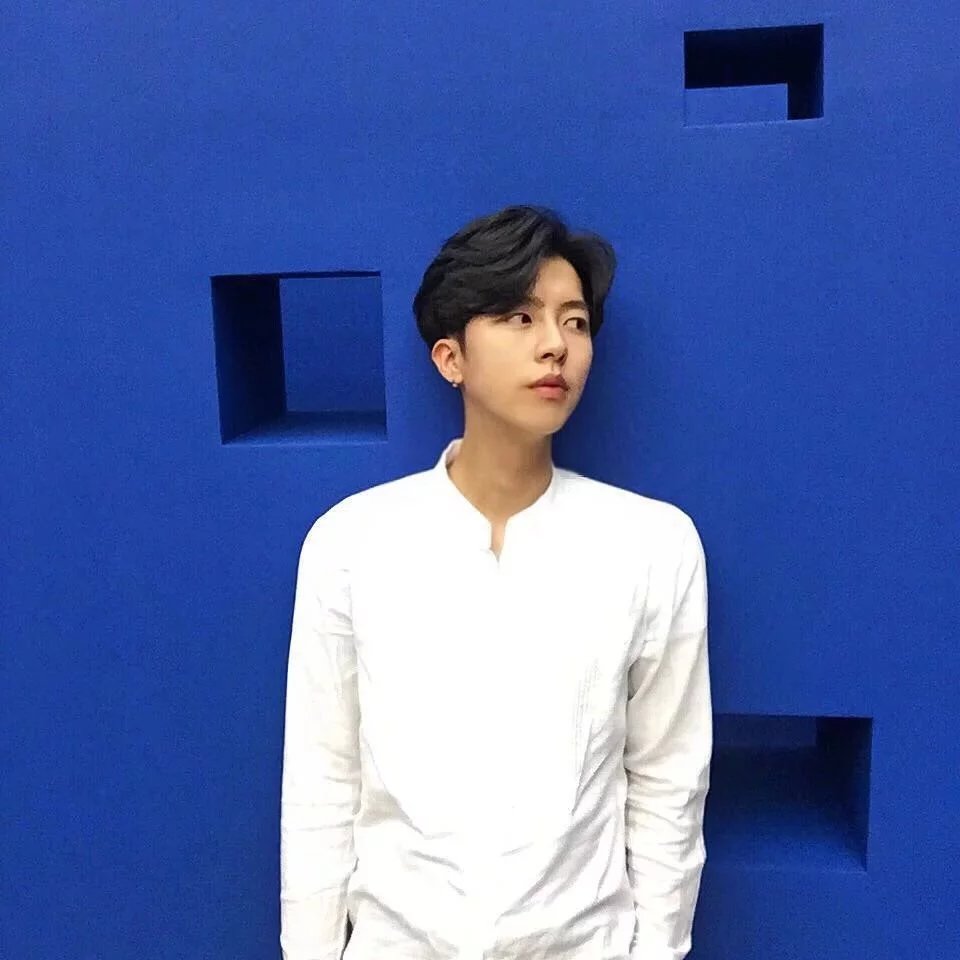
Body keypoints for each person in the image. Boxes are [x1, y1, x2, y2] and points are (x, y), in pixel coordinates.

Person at [280, 204, 712, 960]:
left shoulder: (652, 545)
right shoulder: (351, 543)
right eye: (520, 317)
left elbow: (668, 782)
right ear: (450, 357)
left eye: (575, 322)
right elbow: (323, 782)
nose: (555, 346)